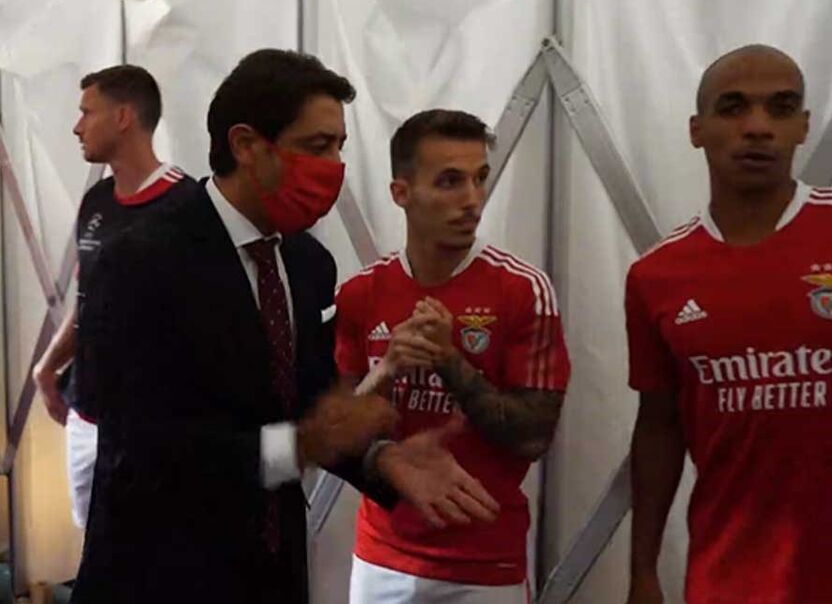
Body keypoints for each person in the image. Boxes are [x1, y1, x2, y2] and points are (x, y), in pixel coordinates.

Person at [70, 49, 500, 604]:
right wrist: (297, 446)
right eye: (317, 147)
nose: (334, 168)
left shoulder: (306, 263)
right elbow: (143, 448)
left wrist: (381, 456)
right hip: (163, 572)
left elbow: (309, 398)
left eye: (340, 146)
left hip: (272, 568)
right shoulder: (140, 260)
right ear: (246, 144)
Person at [335, 110, 570, 603]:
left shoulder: (521, 288)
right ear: (401, 193)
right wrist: (388, 368)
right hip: (381, 558)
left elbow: (532, 436)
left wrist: (449, 360)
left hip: (483, 566)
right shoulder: (360, 293)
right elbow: (338, 431)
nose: (472, 200)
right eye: (449, 182)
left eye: (479, 178)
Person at [625, 45, 832, 604]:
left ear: (803, 126)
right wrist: (642, 570)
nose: (758, 127)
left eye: (780, 108)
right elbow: (659, 425)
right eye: (734, 107)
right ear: (697, 130)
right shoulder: (657, 275)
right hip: (731, 573)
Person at [33, 65, 198, 529]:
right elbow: (88, 302)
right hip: (87, 416)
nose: (77, 126)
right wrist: (47, 367)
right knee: (94, 544)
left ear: (123, 117)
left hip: (154, 428)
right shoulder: (97, 202)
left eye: (87, 112)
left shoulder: (187, 208)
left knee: (152, 547)